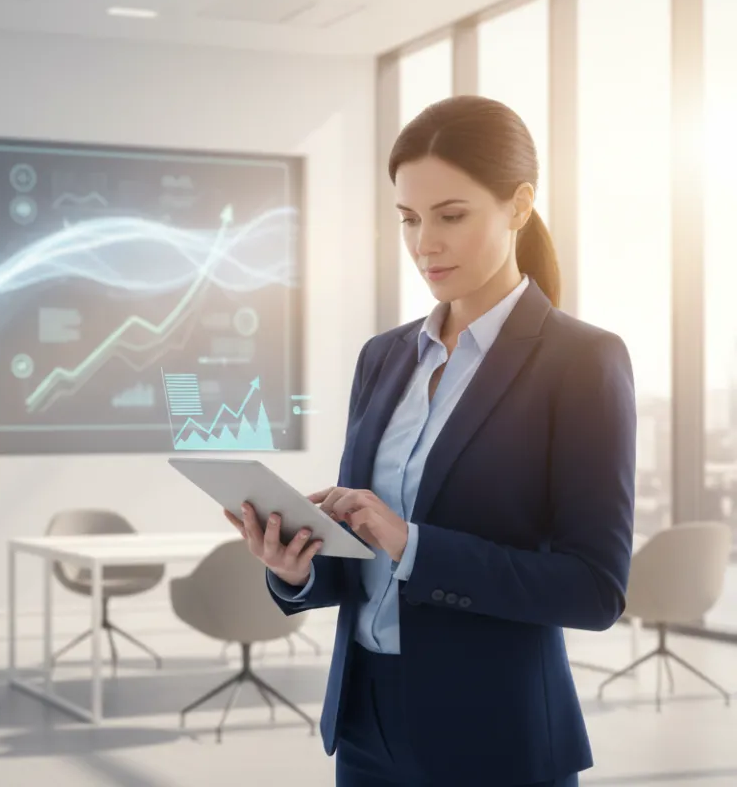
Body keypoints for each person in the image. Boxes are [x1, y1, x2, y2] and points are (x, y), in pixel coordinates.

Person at [225, 95, 636, 786]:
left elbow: (594, 590)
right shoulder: (383, 358)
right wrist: (295, 567)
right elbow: (361, 557)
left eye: (451, 216)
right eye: (410, 219)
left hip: (494, 738)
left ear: (518, 205)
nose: (424, 244)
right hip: (364, 727)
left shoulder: (581, 360)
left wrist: (412, 544)